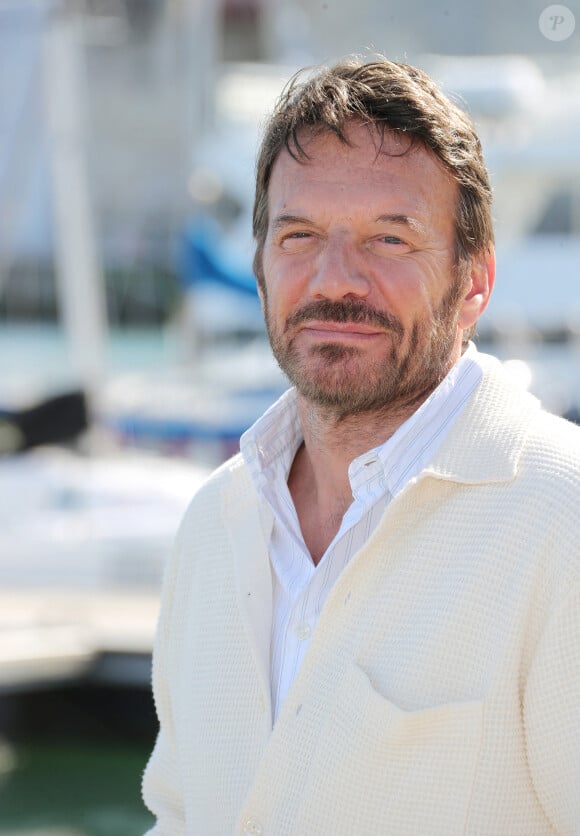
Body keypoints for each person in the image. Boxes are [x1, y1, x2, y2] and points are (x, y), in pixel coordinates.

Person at [142, 57, 580, 834]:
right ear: (261, 264)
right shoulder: (214, 522)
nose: (334, 278)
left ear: (473, 281)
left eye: (388, 237)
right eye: (299, 234)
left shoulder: (561, 518)